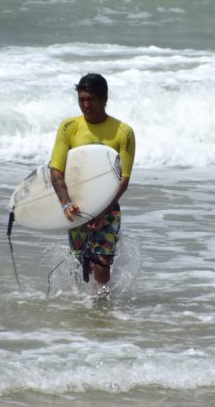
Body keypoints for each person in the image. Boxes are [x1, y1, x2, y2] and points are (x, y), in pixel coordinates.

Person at [49, 73, 135, 291]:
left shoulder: (123, 132)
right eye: (81, 99)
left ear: (104, 99)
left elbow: (123, 179)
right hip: (78, 206)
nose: (85, 105)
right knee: (81, 263)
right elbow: (56, 170)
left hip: (108, 208)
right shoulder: (69, 127)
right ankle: (84, 309)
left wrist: (102, 211)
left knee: (102, 262)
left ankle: (101, 307)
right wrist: (66, 203)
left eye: (91, 99)